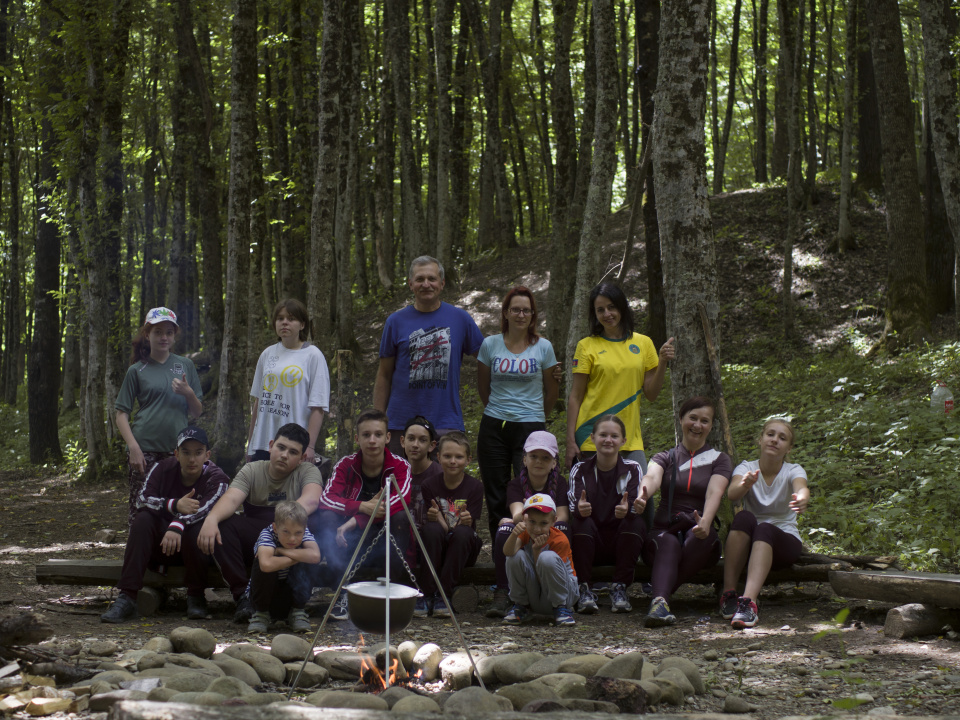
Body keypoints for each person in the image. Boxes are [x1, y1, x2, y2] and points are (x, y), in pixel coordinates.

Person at [100, 426, 228, 624]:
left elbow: (208, 509)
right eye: (185, 452)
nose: (192, 459)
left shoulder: (216, 477)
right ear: (176, 454)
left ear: (207, 455)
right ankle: (127, 597)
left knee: (199, 528)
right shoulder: (162, 468)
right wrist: (174, 504)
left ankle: (196, 597)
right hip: (161, 548)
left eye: (198, 453)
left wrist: (177, 524)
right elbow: (141, 500)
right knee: (142, 519)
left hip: (197, 552)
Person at [197, 423, 323, 622]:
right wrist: (211, 518)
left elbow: (311, 500)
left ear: (301, 458)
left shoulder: (307, 471)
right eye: (281, 448)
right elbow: (231, 499)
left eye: (292, 452)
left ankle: (296, 605)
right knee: (223, 525)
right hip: (257, 535)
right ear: (271, 446)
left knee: (316, 523)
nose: (284, 455)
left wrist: (280, 532)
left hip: (291, 536)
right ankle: (243, 598)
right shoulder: (252, 470)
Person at [635, 397, 732, 627]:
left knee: (703, 537)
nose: (697, 425)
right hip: (663, 531)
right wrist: (643, 495)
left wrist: (706, 521)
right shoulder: (665, 457)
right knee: (668, 542)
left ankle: (660, 595)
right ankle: (660, 601)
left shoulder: (719, 460)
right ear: (681, 420)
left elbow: (714, 493)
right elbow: (652, 477)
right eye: (693, 418)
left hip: (699, 531)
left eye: (704, 421)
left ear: (710, 426)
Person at [374, 256, 483, 453]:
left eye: (432, 279)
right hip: (400, 424)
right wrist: (378, 420)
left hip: (445, 422)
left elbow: (488, 359)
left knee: (446, 483)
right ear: (410, 284)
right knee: (399, 483)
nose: (426, 284)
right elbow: (384, 374)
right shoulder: (395, 322)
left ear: (441, 283)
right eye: (420, 279)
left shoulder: (460, 319)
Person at [477, 286, 560, 546]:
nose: (521, 314)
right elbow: (483, 386)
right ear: (506, 312)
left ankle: (532, 552)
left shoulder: (543, 347)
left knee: (529, 488)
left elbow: (552, 390)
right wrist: (499, 410)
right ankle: (502, 559)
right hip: (494, 426)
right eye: (515, 309)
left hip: (530, 427)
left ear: (533, 315)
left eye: (526, 310)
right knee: (496, 493)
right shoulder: (490, 344)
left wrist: (536, 418)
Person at [565, 282, 674, 477]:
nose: (607, 314)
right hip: (592, 433)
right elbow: (576, 396)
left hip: (629, 437)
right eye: (600, 310)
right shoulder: (586, 346)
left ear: (621, 307)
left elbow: (651, 394)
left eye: (611, 307)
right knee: (595, 500)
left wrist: (663, 362)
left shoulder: (643, 343)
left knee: (640, 499)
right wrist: (571, 440)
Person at [315, 409, 412, 620]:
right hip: (350, 539)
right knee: (327, 517)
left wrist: (355, 519)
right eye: (366, 435)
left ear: (387, 437)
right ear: (357, 438)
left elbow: (400, 501)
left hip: (385, 536)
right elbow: (327, 500)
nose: (372, 440)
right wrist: (361, 506)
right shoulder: (346, 465)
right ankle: (341, 593)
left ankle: (393, 592)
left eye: (378, 434)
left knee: (401, 518)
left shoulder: (400, 465)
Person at [116, 307, 203, 529]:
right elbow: (121, 414)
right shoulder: (137, 370)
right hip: (144, 449)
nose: (164, 337)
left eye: (168, 332)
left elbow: (197, 412)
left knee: (176, 504)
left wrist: (188, 393)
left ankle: (169, 555)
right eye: (158, 332)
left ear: (174, 336)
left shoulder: (185, 365)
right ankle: (141, 555)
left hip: (178, 450)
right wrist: (133, 447)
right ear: (147, 334)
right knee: (142, 506)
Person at [720, 418, 809, 629]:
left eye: (782, 438)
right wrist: (745, 484)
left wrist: (802, 498)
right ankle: (729, 594)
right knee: (743, 517)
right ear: (760, 439)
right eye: (770, 434)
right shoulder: (746, 468)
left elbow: (801, 487)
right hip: (751, 545)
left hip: (783, 543)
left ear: (788, 448)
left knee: (765, 528)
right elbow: (732, 494)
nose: (775, 440)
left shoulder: (793, 469)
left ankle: (748, 604)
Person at [567, 415, 645, 615]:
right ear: (592, 438)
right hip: (589, 542)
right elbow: (573, 504)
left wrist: (629, 510)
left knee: (635, 523)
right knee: (579, 522)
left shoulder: (632, 468)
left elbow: (637, 504)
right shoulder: (580, 469)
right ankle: (584, 588)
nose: (608, 440)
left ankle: (619, 588)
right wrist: (579, 508)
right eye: (603, 435)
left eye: (614, 436)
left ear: (623, 441)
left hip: (621, 541)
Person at [487, 430, 569, 618]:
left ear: (554, 463)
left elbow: (563, 516)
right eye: (533, 456)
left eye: (545, 457)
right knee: (505, 530)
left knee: (564, 528)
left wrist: (543, 525)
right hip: (528, 535)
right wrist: (531, 523)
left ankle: (563, 586)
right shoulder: (516, 484)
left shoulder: (561, 483)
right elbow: (517, 514)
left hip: (551, 532)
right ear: (524, 459)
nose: (539, 461)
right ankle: (504, 590)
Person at [247, 299, 330, 464]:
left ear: (302, 325)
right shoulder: (267, 354)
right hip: (263, 444)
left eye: (291, 319)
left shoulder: (313, 355)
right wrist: (250, 443)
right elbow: (259, 400)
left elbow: (318, 406)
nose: (284, 322)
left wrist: (310, 446)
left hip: (294, 446)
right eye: (280, 318)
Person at [416, 432, 483, 618]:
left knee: (463, 532)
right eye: (447, 456)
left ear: (468, 460)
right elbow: (442, 527)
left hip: (463, 548)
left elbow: (465, 525)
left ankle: (443, 594)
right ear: (438, 457)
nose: (453, 461)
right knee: (430, 528)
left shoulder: (475, 487)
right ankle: (427, 593)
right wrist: (435, 516)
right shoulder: (429, 485)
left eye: (459, 457)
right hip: (438, 543)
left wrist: (467, 521)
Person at [502, 494, 578, 627]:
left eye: (543, 523)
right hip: (536, 597)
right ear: (525, 519)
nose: (537, 529)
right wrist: (514, 534)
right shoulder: (525, 532)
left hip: (563, 594)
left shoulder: (559, 540)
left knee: (546, 557)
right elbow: (507, 552)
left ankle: (562, 609)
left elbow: (548, 578)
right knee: (515, 555)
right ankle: (521, 606)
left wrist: (537, 551)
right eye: (532, 522)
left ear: (553, 521)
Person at [247, 500, 321, 634]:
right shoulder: (267, 534)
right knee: (262, 560)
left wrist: (280, 551)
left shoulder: (304, 533)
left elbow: (315, 556)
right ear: (275, 528)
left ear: (304, 529)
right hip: (266, 597)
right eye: (286, 532)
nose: (292, 538)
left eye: (298, 533)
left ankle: (298, 612)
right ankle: (260, 615)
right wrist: (299, 557)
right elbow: (266, 565)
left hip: (291, 597)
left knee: (309, 560)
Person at [399, 416, 442, 554]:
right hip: (401, 541)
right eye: (411, 439)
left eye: (422, 440)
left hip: (431, 542)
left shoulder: (440, 474)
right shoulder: (394, 472)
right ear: (402, 441)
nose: (415, 445)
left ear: (432, 445)